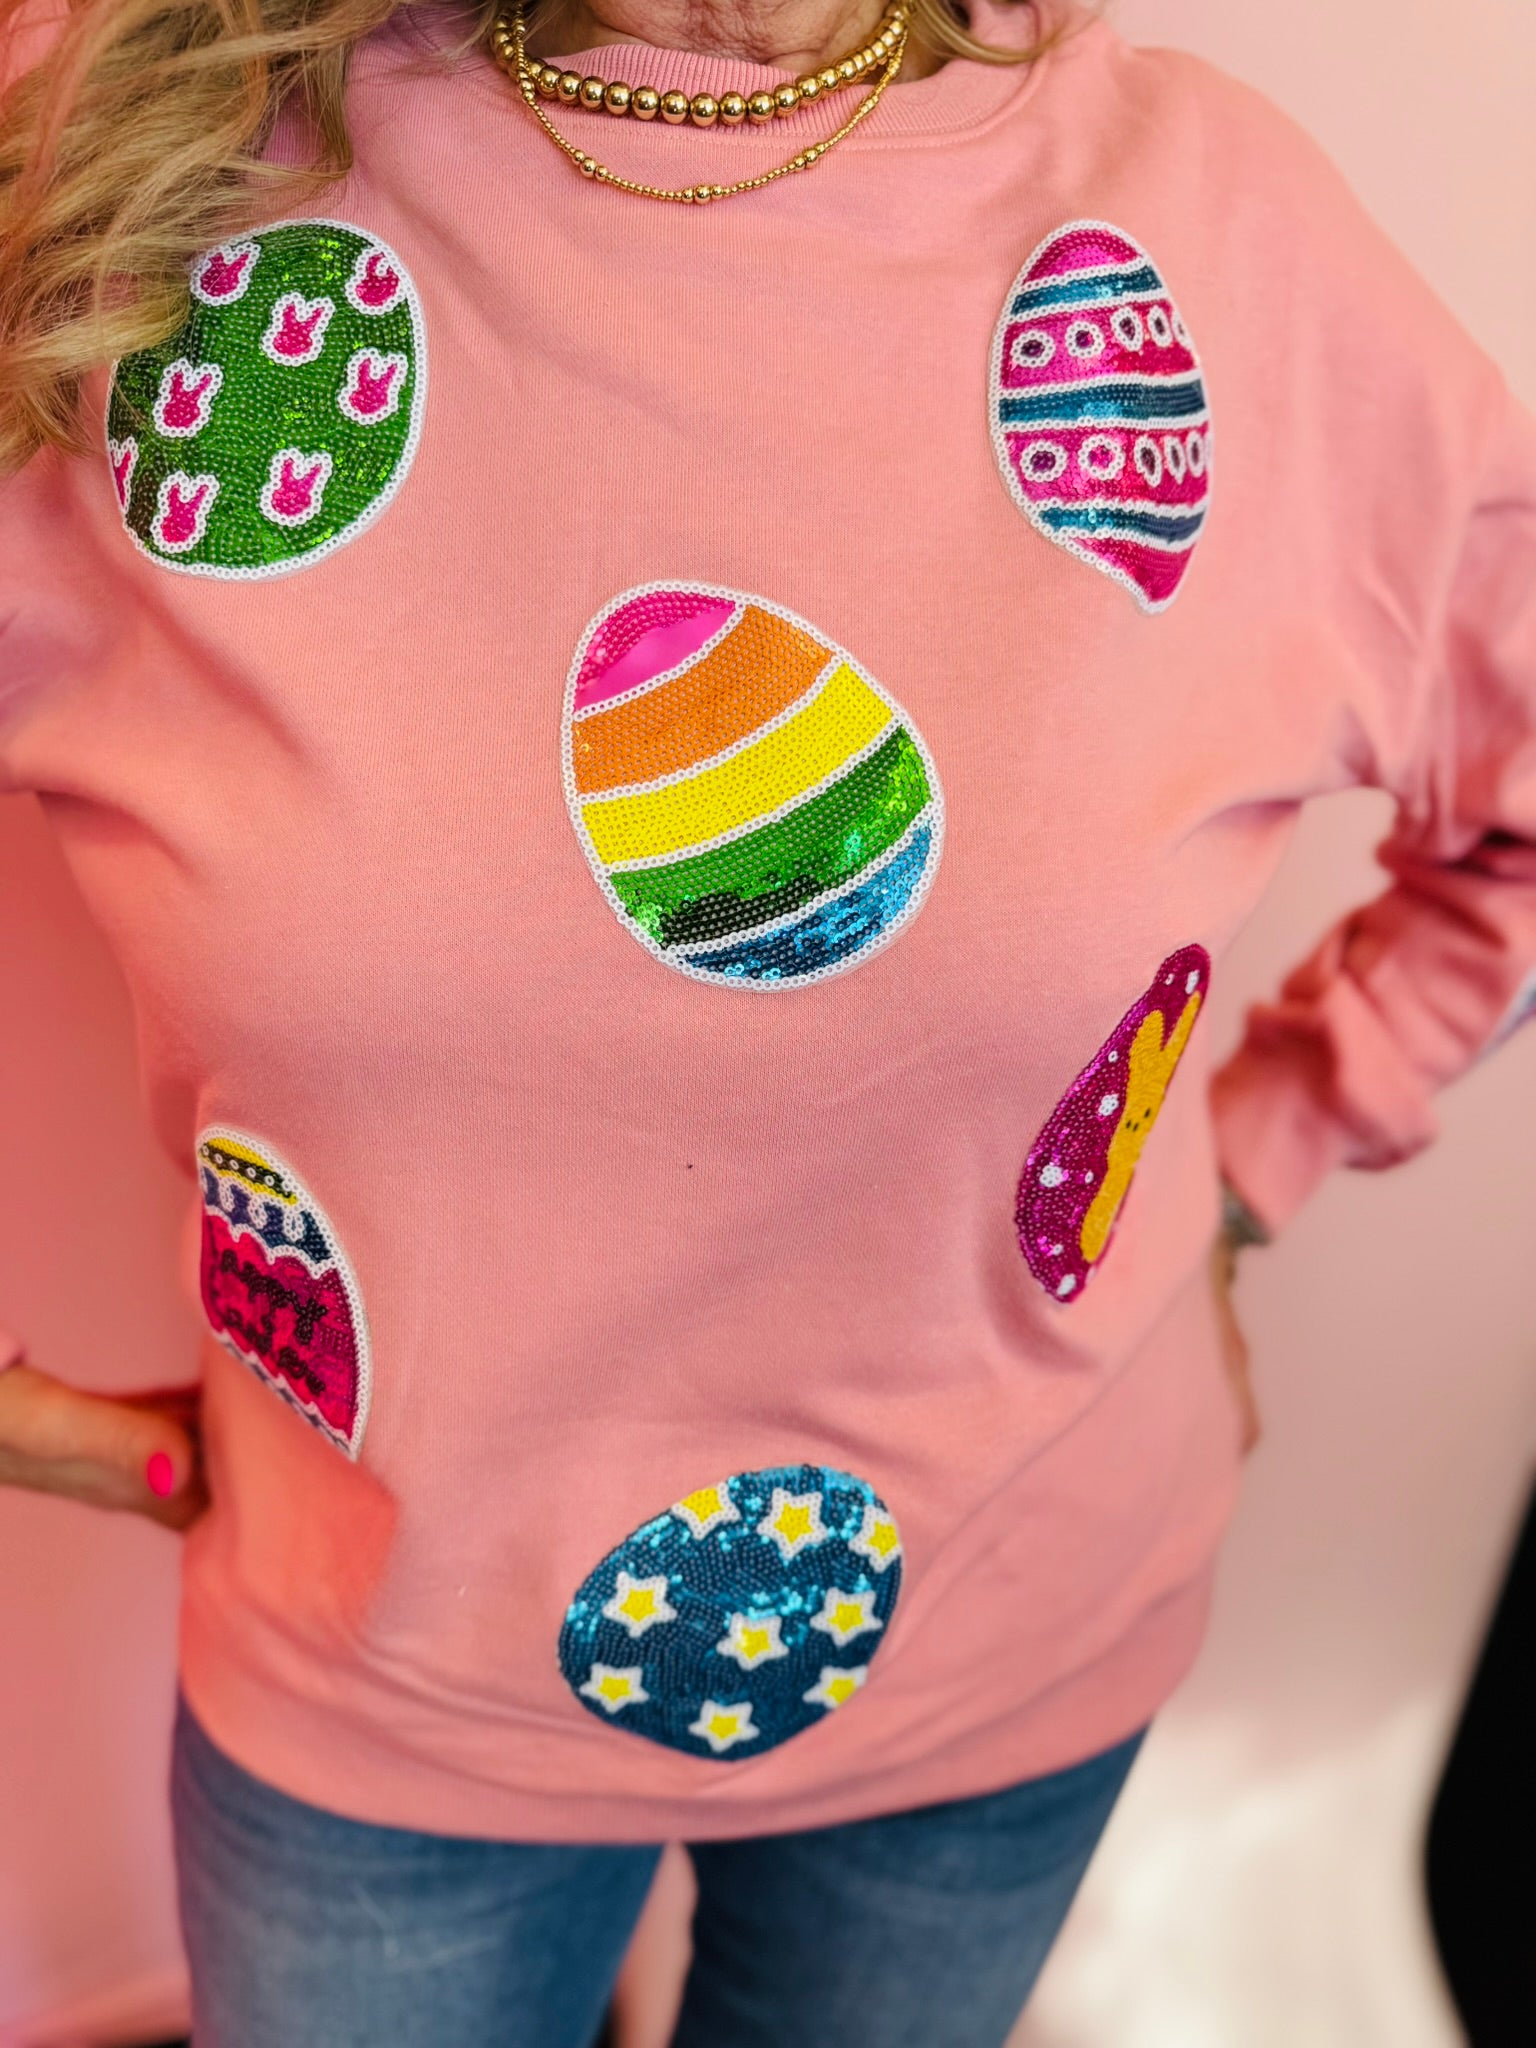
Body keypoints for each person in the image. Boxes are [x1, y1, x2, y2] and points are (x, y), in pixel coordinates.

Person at [0, 0, 1532, 2039]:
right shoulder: (131, 172)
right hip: (371, 1694)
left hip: (1013, 1641)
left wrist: (1259, 1161)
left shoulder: (1212, 238)